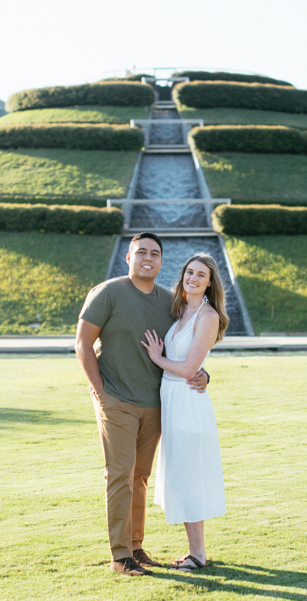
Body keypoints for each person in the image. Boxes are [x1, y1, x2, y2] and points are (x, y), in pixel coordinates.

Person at [74, 232, 210, 577]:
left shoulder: (169, 301)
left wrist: (203, 372)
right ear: (129, 257)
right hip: (116, 399)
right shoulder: (108, 293)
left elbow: (183, 347)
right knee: (119, 476)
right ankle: (120, 557)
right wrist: (99, 390)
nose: (148, 258)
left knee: (139, 477)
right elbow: (82, 343)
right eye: (141, 252)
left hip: (155, 402)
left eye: (155, 253)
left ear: (161, 261)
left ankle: (136, 546)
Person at [141, 252, 229, 572]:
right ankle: (197, 552)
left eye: (200, 275)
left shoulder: (207, 316)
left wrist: (157, 357)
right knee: (182, 477)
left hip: (188, 405)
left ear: (209, 283)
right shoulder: (180, 313)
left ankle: (198, 554)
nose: (193, 278)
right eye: (189, 272)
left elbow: (191, 366)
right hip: (174, 402)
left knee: (189, 478)